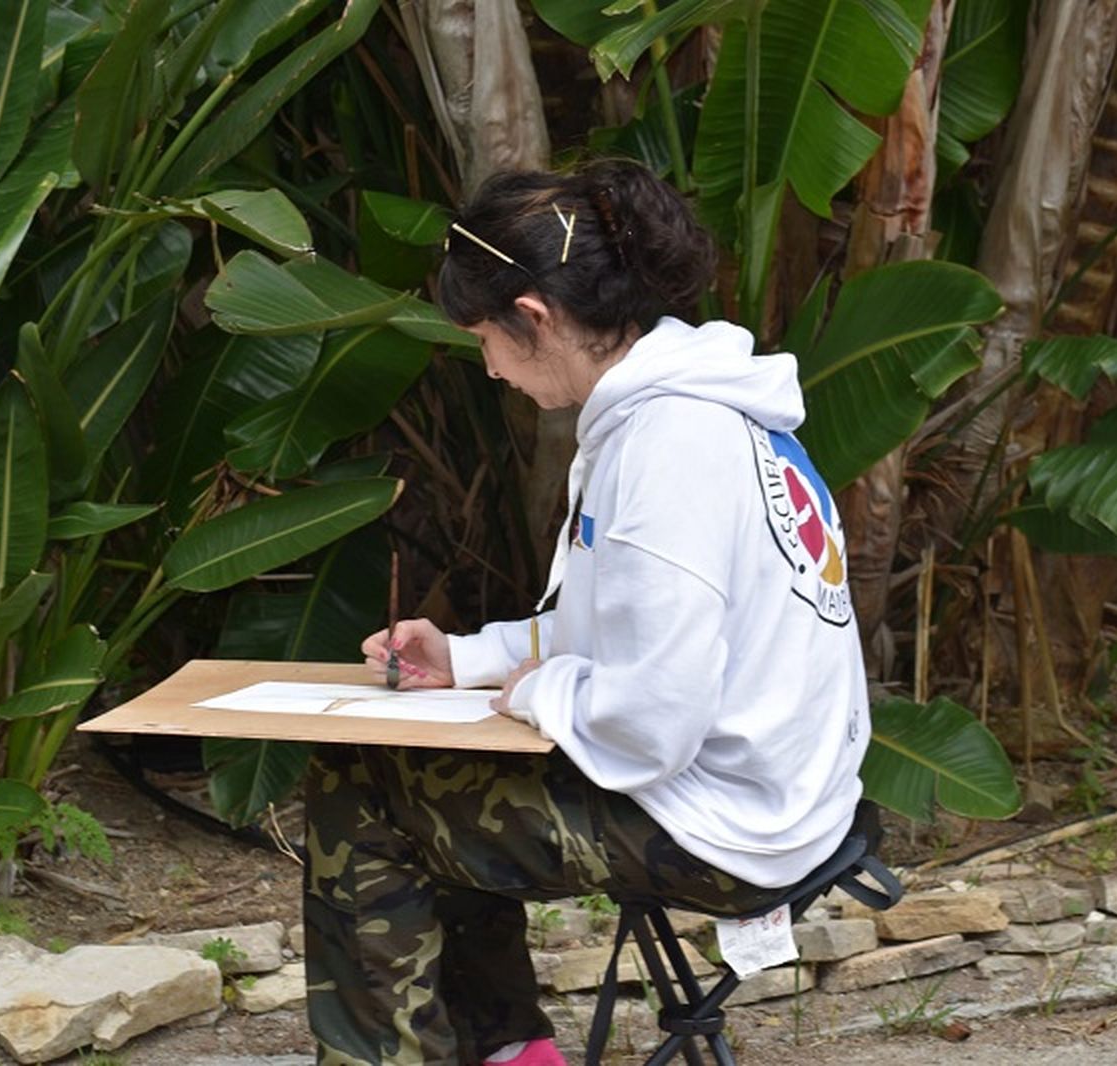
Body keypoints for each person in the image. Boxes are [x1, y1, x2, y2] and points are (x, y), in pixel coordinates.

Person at [306, 160, 870, 1066]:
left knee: (361, 796)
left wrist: (543, 691)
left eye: (483, 337)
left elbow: (652, 723)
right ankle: (508, 1051)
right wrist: (470, 657)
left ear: (534, 317)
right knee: (419, 769)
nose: (487, 366)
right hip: (781, 789)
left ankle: (455, 1052)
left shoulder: (667, 446)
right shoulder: (699, 409)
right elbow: (623, 624)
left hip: (729, 825)